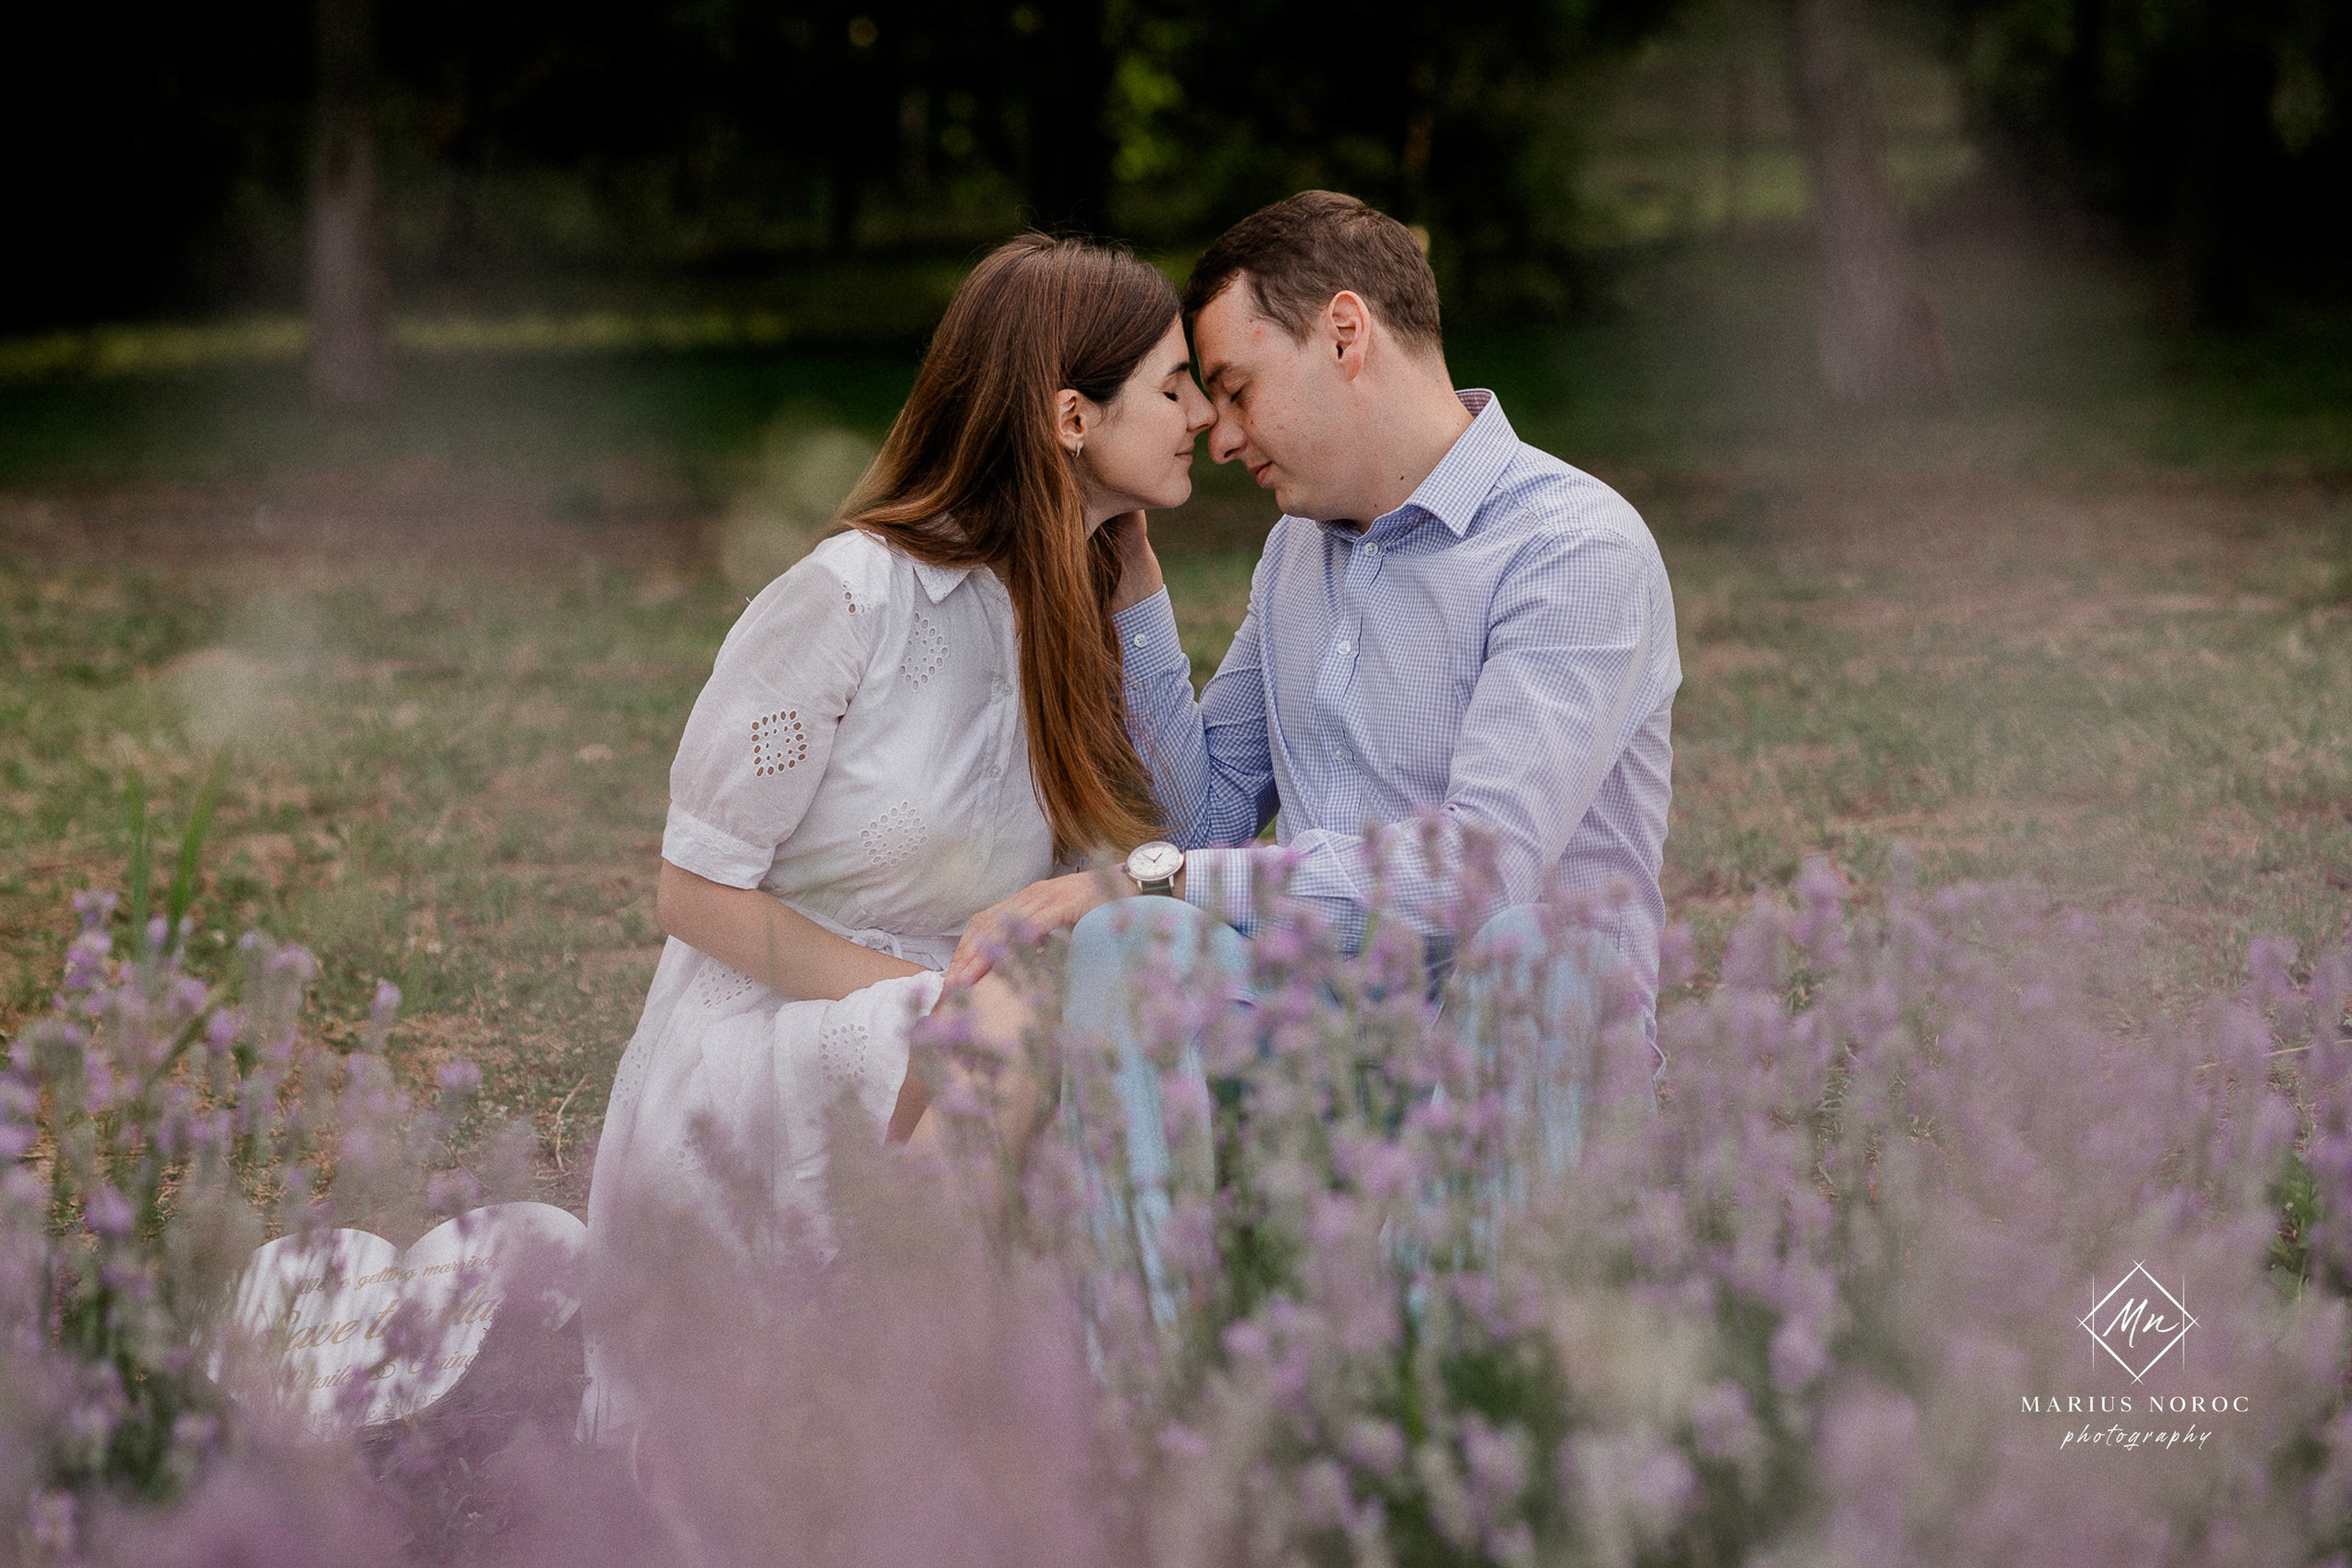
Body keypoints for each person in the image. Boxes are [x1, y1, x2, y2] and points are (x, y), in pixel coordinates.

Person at [581, 233, 1213, 1439]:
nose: (1200, 412)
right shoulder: (850, 597)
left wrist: (1136, 586)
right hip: (775, 1035)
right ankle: (901, 1402)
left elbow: (1177, 841)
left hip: (956, 1040)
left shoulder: (1069, 606)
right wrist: (949, 989)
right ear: (1072, 416)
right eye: (1172, 383)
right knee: (1012, 1022)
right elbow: (692, 893)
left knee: (1106, 1007)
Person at [951, 190, 1680, 1100]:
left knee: (1528, 952)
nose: (1218, 438)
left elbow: (1477, 879)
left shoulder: (1570, 549)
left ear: (1344, 335)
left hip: (1511, 1049)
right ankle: (1149, 1245)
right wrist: (1133, 590)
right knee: (1126, 942)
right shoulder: (1296, 549)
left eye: (1236, 390)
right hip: (1313, 1040)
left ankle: (1469, 1242)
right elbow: (1199, 822)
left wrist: (1157, 883)